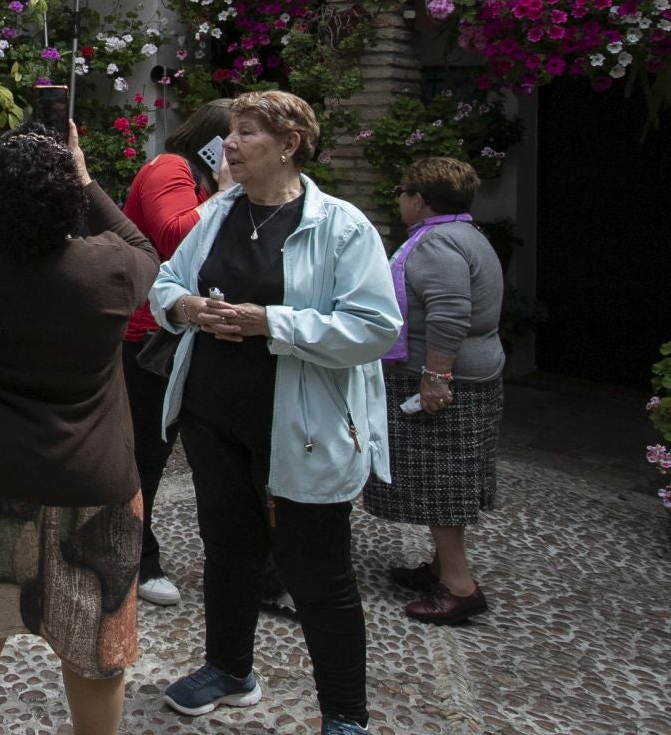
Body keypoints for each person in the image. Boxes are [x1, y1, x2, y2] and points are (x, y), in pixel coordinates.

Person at [149, 90, 399, 735]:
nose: (229, 144)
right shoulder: (218, 213)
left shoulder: (342, 226)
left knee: (318, 571)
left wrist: (271, 324)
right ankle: (229, 670)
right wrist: (186, 310)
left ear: (289, 145)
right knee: (227, 550)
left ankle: (345, 714)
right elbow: (166, 282)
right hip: (213, 415)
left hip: (303, 427)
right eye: (231, 132)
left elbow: (376, 327)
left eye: (248, 133)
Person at [0, 125, 159, 735]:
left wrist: (10, 185)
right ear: (72, 201)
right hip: (94, 481)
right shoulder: (108, 269)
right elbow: (146, 246)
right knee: (96, 647)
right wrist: (82, 178)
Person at [362, 156, 504, 625]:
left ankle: (459, 587)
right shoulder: (464, 235)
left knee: (443, 481)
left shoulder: (438, 244)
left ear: (419, 200)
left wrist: (436, 377)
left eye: (403, 192)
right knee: (446, 477)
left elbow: (448, 313)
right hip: (467, 375)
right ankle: (442, 568)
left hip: (447, 380)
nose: (400, 200)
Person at [119, 97, 233, 607]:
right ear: (215, 140)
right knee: (146, 455)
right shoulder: (170, 167)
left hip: (194, 335)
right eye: (240, 135)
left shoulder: (209, 184)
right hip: (149, 339)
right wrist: (229, 193)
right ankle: (137, 559)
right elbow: (172, 235)